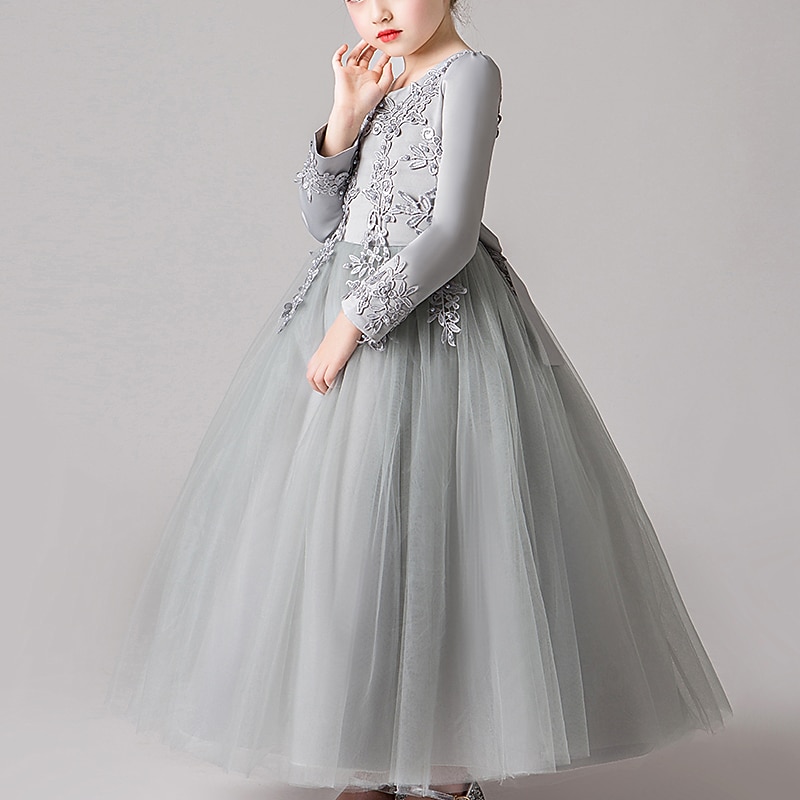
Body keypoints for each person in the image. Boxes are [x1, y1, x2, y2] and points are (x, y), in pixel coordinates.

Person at [104, 2, 733, 800]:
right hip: (343, 313)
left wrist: (352, 324)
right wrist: (345, 116)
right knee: (351, 539)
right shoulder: (382, 75)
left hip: (426, 326)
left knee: (448, 533)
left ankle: (442, 771)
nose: (379, 11)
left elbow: (452, 233)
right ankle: (371, 760)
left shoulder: (471, 74)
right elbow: (322, 222)